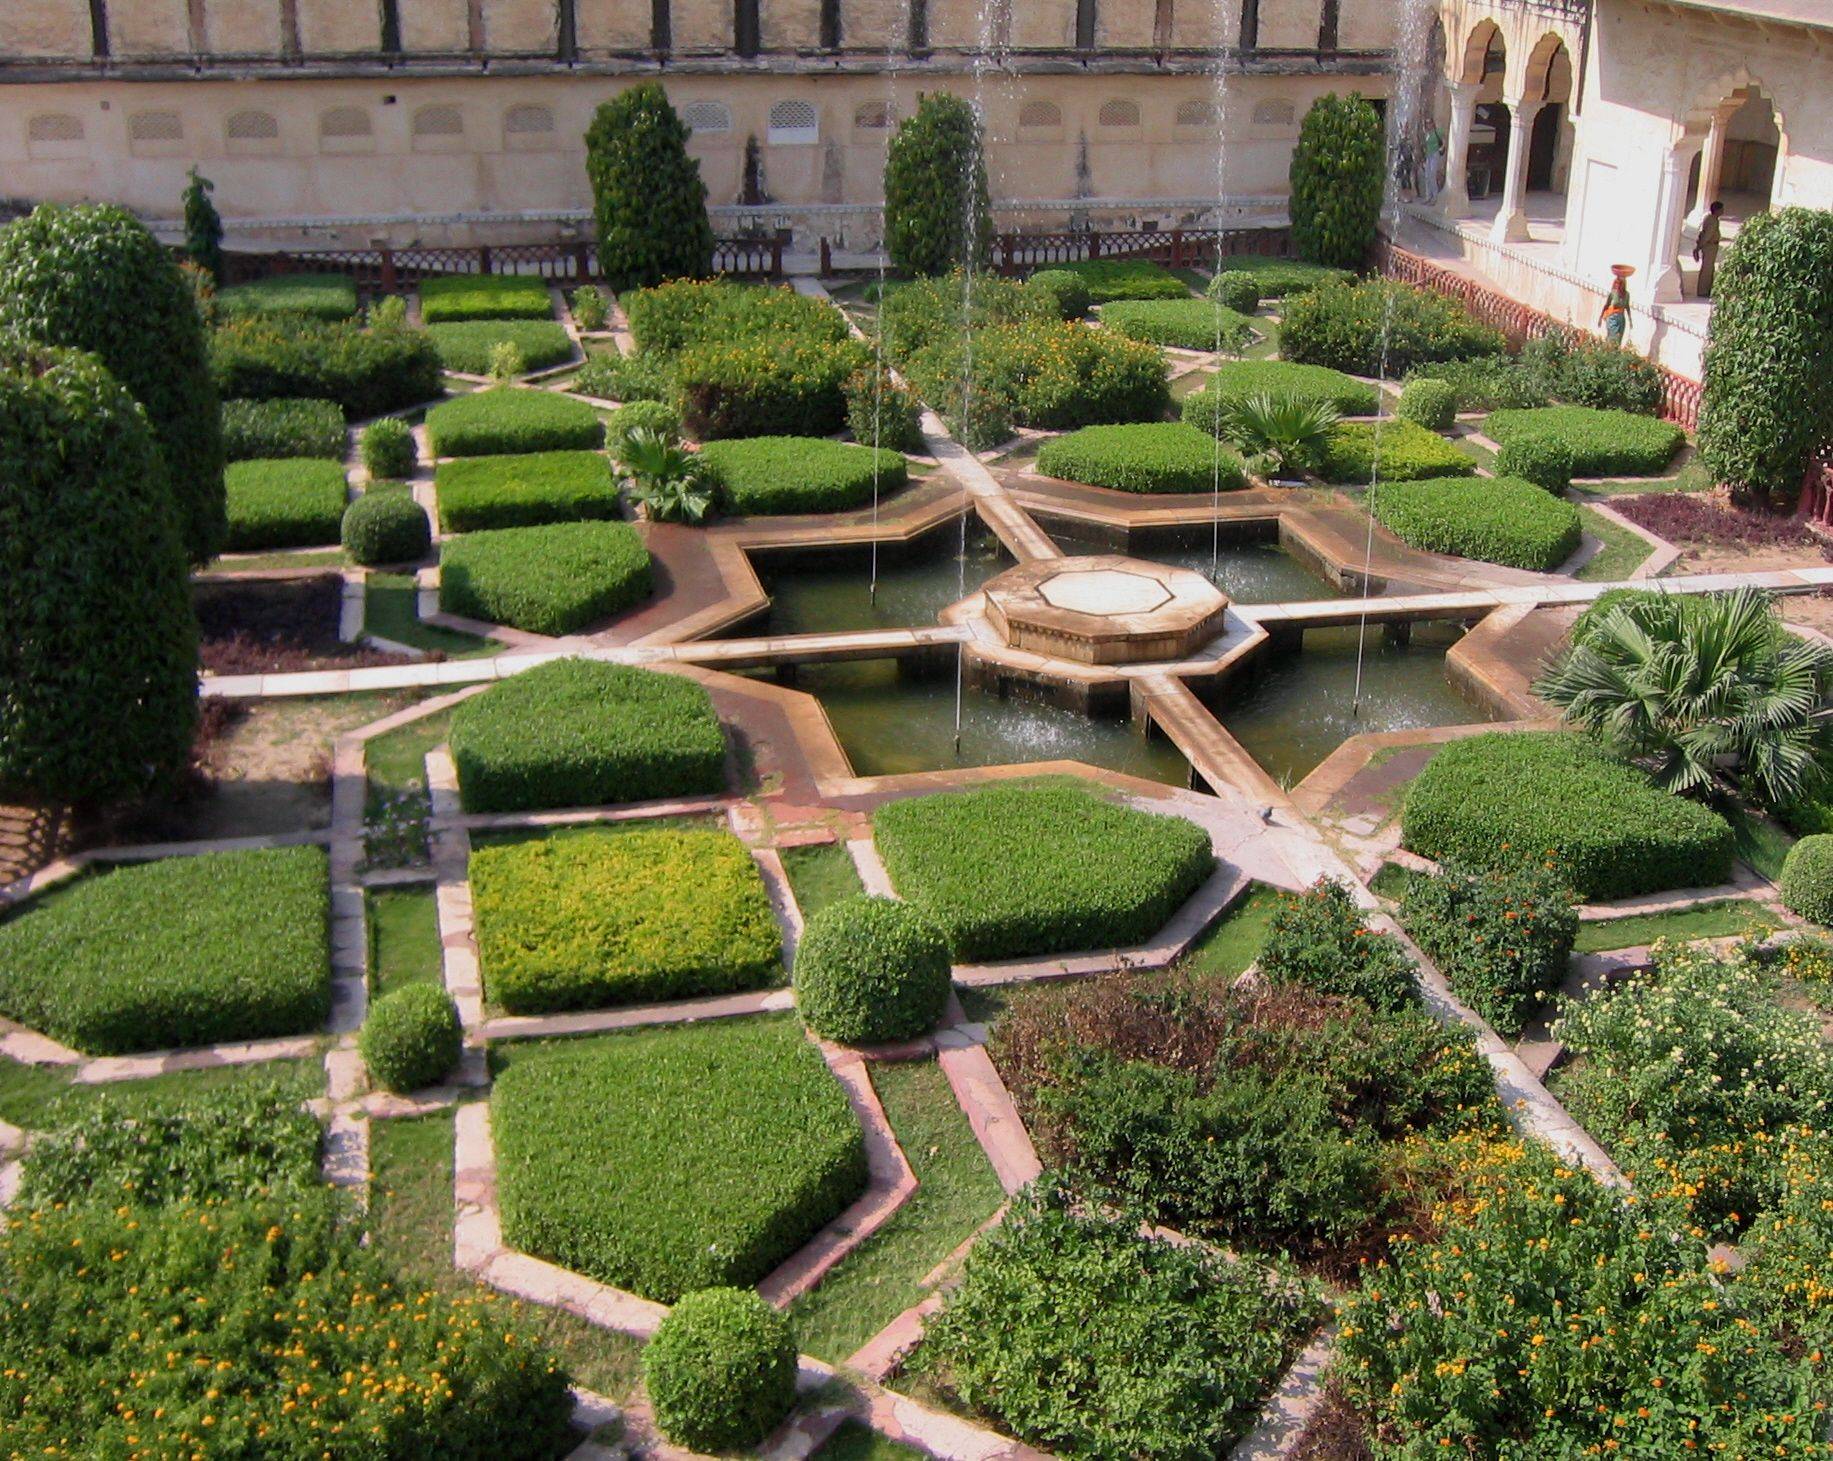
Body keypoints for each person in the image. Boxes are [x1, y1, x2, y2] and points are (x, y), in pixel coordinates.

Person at [1693, 200, 1724, 299]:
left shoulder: (1710, 218)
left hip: (1710, 246)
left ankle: (1706, 289)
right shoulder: (1713, 221)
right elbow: (1707, 235)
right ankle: (1703, 291)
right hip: (1710, 246)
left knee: (1709, 268)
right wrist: (1699, 247)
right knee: (1707, 269)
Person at [1599, 267, 1633, 347]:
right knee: (1612, 337)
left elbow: (1627, 307)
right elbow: (1606, 305)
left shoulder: (1627, 294)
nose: (1618, 286)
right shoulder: (1613, 293)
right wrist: (1600, 318)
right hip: (1612, 318)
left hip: (1621, 318)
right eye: (1617, 284)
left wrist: (1630, 320)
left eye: (1620, 284)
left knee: (1619, 339)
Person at [1420, 124, 1445, 204]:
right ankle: (1428, 196)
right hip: (1428, 155)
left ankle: (1435, 197)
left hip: (1435, 154)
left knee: (1432, 175)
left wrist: (1441, 147)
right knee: (1427, 175)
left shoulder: (1437, 132)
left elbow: (1444, 141)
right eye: (1427, 123)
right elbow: (1425, 145)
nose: (1428, 125)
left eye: (1429, 123)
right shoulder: (1427, 133)